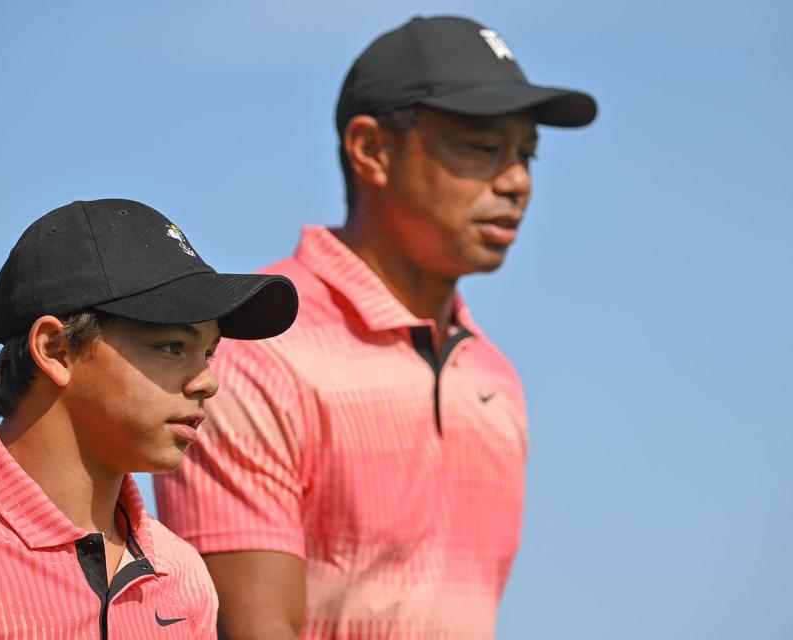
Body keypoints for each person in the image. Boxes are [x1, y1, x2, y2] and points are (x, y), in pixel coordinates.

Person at [154, 15, 597, 639]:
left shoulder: (497, 384)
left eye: (526, 153)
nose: (517, 180)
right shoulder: (256, 350)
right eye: (482, 147)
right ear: (371, 150)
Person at [0, 198, 298, 639]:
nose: (207, 383)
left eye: (209, 354)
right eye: (172, 347)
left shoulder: (184, 577)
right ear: (56, 349)